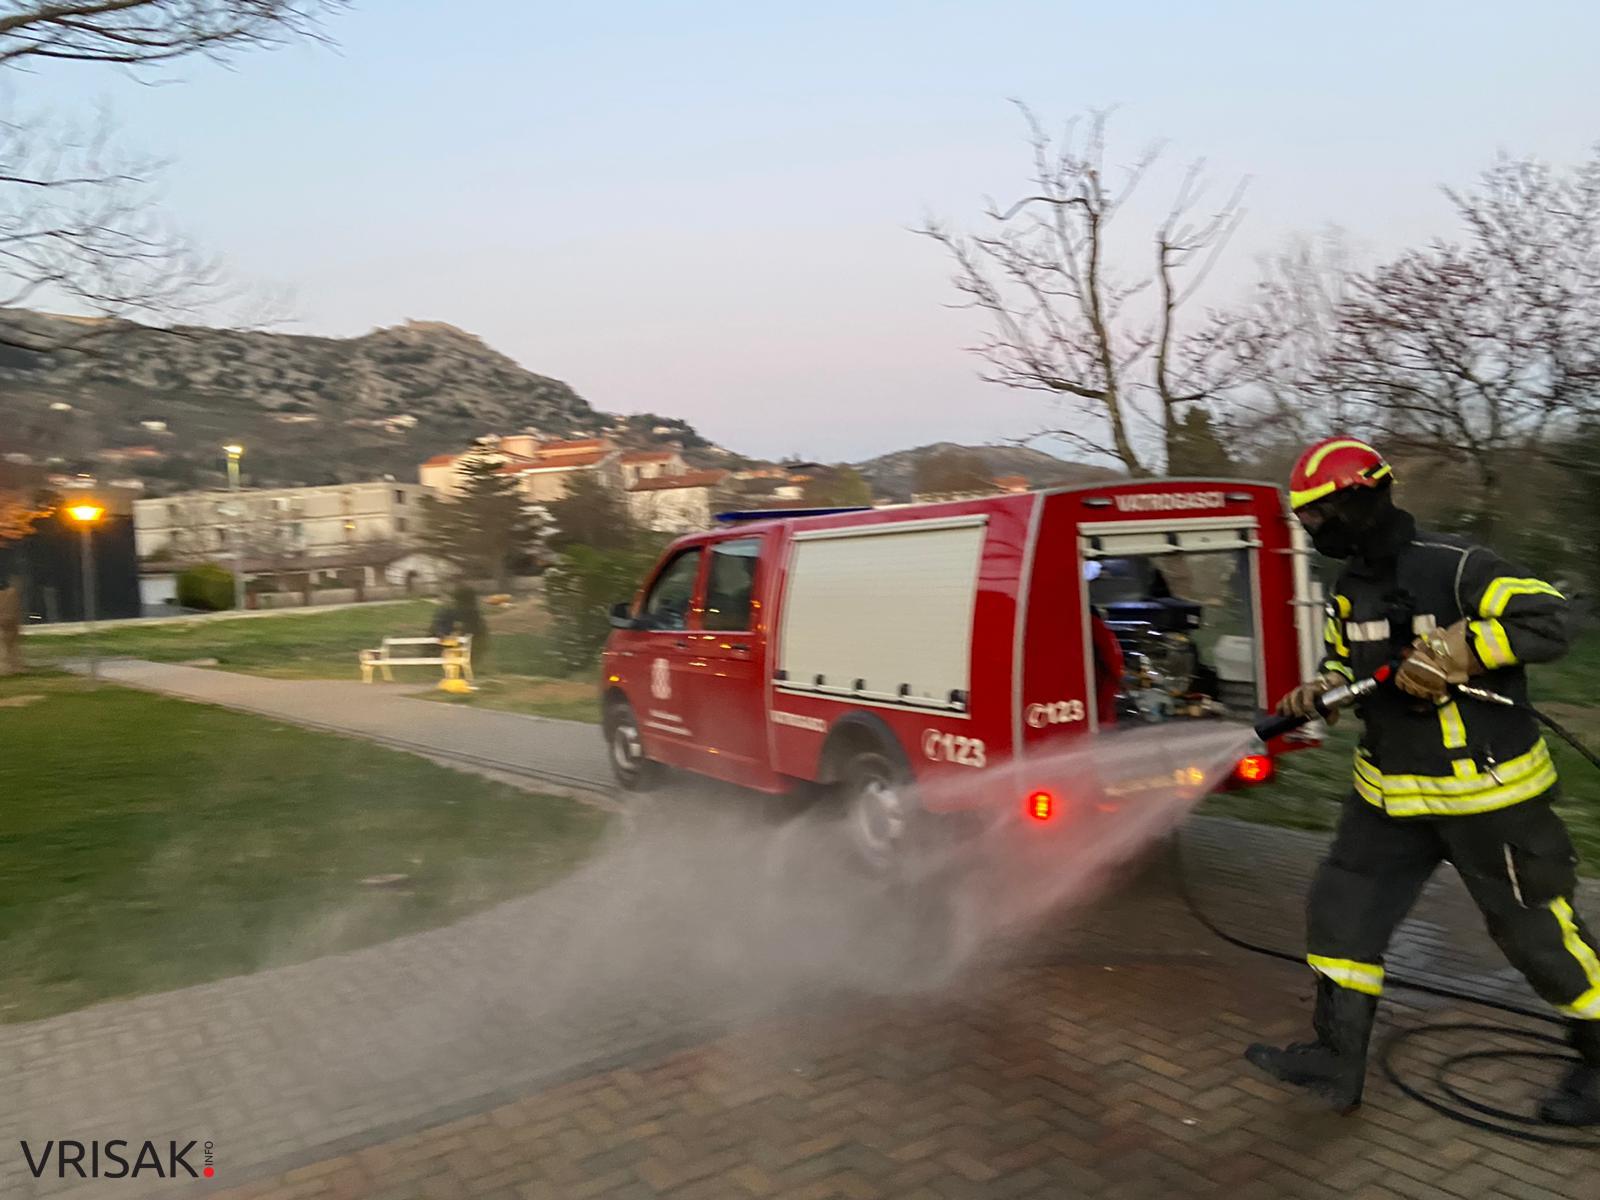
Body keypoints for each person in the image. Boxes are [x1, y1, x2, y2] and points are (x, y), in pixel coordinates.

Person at [1245, 437, 1600, 1124]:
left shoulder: (1458, 565)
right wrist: (1325, 685)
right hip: (1389, 799)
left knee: (1539, 941)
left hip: (1490, 800)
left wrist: (1463, 650)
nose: (1313, 529)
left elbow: (1553, 618)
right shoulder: (1351, 588)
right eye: (1306, 519)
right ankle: (1335, 1059)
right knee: (1339, 918)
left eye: (1319, 515)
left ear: (1361, 497)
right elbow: (1352, 662)